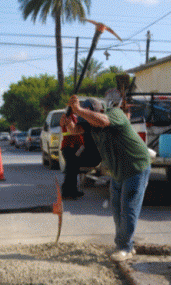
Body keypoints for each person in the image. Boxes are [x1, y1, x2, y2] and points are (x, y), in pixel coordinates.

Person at [62, 95, 152, 262]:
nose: (87, 123)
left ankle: (124, 247)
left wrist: (79, 110)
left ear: (97, 111)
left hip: (135, 167)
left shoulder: (115, 114)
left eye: (88, 117)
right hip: (118, 170)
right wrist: (69, 122)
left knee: (128, 208)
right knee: (117, 208)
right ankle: (125, 245)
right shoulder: (91, 125)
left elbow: (102, 121)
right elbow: (76, 130)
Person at [59, 109, 101, 199]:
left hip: (74, 148)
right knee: (70, 171)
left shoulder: (75, 117)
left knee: (74, 170)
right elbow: (63, 124)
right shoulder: (66, 117)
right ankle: (66, 192)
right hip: (68, 147)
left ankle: (73, 190)